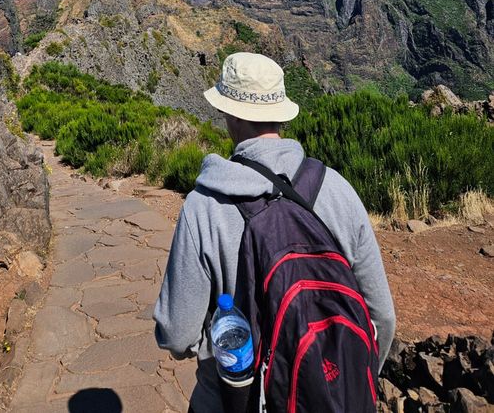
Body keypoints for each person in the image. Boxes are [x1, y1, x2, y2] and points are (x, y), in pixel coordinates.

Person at [154, 52, 396, 413]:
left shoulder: (202, 208)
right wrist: (340, 382)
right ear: (281, 112)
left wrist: (215, 344)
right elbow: (384, 318)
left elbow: (176, 334)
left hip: (230, 398)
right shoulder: (337, 189)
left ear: (230, 113)